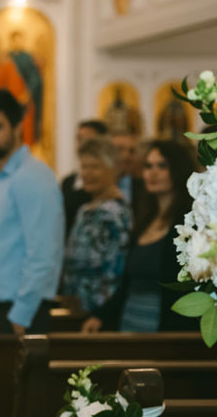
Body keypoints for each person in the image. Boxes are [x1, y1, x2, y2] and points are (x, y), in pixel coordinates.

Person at [0, 89, 64, 334]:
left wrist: (21, 314)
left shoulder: (33, 177)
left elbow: (44, 254)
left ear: (17, 127)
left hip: (17, 312)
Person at [84, 140, 197, 333]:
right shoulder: (145, 220)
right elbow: (128, 283)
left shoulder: (190, 223)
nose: (152, 173)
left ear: (177, 170)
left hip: (166, 328)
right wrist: (100, 315)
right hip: (131, 323)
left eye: (162, 166)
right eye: (148, 166)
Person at [60, 139, 132, 314]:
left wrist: (102, 313)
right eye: (84, 167)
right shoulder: (85, 209)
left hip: (99, 311)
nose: (87, 173)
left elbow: (116, 271)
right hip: (75, 307)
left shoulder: (115, 212)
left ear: (114, 169)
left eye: (95, 167)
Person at [60, 119, 107, 234]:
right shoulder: (68, 182)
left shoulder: (107, 182)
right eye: (79, 139)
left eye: (87, 140)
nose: (81, 144)